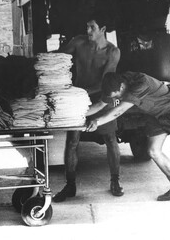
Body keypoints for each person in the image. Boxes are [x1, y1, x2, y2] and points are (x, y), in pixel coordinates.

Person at [86, 71, 170, 201]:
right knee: (153, 151)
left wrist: (97, 122)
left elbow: (118, 111)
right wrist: (76, 116)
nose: (116, 100)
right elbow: (99, 105)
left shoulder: (140, 83)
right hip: (156, 115)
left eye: (117, 96)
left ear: (121, 87)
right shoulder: (115, 83)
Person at [53, 14, 123, 202]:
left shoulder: (112, 52)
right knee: (72, 141)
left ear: (103, 29)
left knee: (110, 138)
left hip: (101, 97)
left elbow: (105, 82)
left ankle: (115, 181)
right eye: (87, 26)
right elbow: (58, 58)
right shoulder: (78, 42)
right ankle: (70, 185)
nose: (88, 31)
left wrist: (80, 92)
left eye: (92, 27)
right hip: (77, 98)